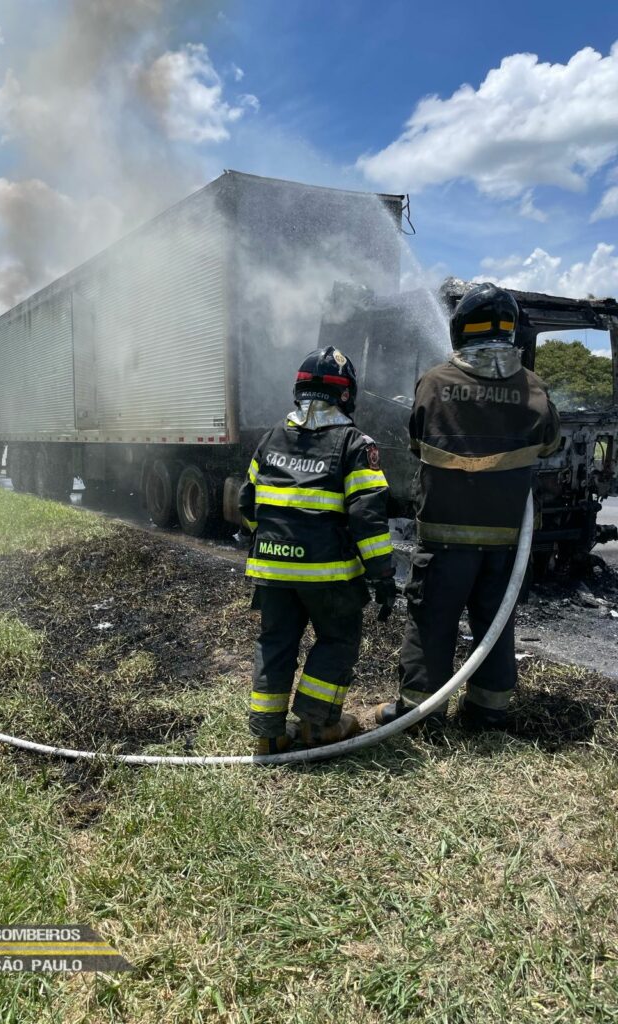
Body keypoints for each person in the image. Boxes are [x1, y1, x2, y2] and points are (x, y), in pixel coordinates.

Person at [376, 283, 561, 733]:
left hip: (444, 540)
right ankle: (489, 712)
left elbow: (416, 442)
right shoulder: (534, 389)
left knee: (431, 624)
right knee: (495, 627)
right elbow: (550, 444)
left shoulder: (435, 383)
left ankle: (422, 714)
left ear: (460, 331)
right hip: (505, 545)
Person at [239, 346, 397, 755]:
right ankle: (316, 726)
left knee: (275, 642)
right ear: (347, 394)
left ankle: (269, 734)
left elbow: (246, 503)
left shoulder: (271, 436)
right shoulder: (354, 444)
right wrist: (382, 575)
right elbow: (367, 518)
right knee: (337, 639)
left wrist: (272, 543)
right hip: (329, 576)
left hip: (272, 572)